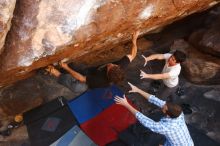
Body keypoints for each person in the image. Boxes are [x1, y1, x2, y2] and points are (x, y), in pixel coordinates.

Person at [46, 31, 139, 93]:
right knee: (76, 67)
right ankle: (67, 69)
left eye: (109, 67)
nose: (110, 64)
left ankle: (56, 73)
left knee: (76, 87)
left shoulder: (100, 81)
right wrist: (134, 40)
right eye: (114, 65)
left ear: (107, 74)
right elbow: (133, 54)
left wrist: (66, 67)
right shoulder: (120, 66)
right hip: (92, 72)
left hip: (87, 83)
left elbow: (81, 79)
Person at [114, 82, 194, 146]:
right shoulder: (179, 114)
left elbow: (145, 121)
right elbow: (154, 100)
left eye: (164, 107)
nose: (163, 105)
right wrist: (138, 90)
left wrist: (126, 104)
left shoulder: (166, 127)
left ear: (167, 114)